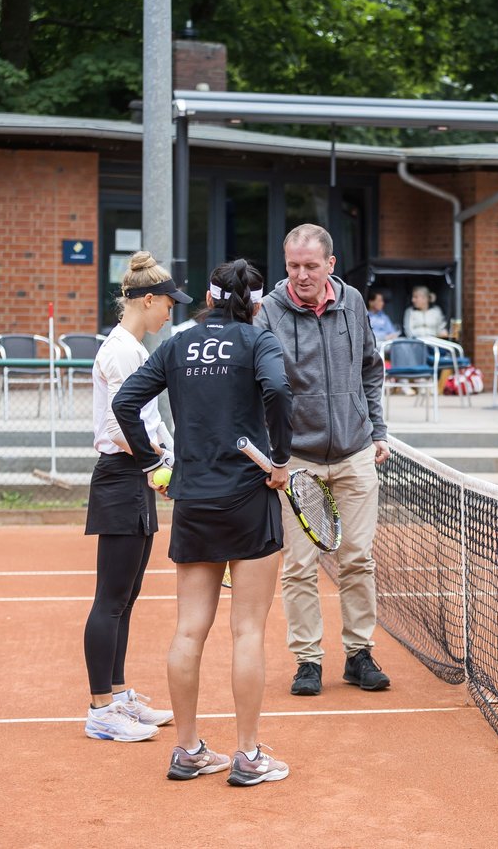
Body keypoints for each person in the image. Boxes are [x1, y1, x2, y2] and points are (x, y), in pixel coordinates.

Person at [114, 258, 294, 786]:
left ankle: (188, 749)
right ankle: (248, 756)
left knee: (189, 630)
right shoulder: (258, 342)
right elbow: (280, 393)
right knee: (248, 632)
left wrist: (153, 465)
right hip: (248, 499)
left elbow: (127, 401)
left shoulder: (176, 344)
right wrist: (280, 460)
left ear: (210, 299)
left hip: (193, 500)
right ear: (256, 303)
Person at [255, 223, 392, 697]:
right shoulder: (268, 311)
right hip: (297, 461)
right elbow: (259, 388)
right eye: (293, 266)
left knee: (359, 558)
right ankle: (308, 661)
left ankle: (359, 654)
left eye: (311, 266)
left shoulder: (353, 302)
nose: (301, 275)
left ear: (330, 265)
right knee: (299, 565)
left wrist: (378, 431)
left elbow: (371, 369)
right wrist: (273, 453)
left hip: (355, 452)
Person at [82, 251, 190, 743]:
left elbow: (148, 420)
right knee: (110, 599)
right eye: (168, 304)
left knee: (125, 598)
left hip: (137, 476)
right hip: (123, 476)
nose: (171, 313)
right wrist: (160, 465)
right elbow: (118, 426)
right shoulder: (121, 351)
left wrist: (165, 461)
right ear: (148, 300)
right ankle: (100, 708)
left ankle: (119, 694)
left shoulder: (135, 349)